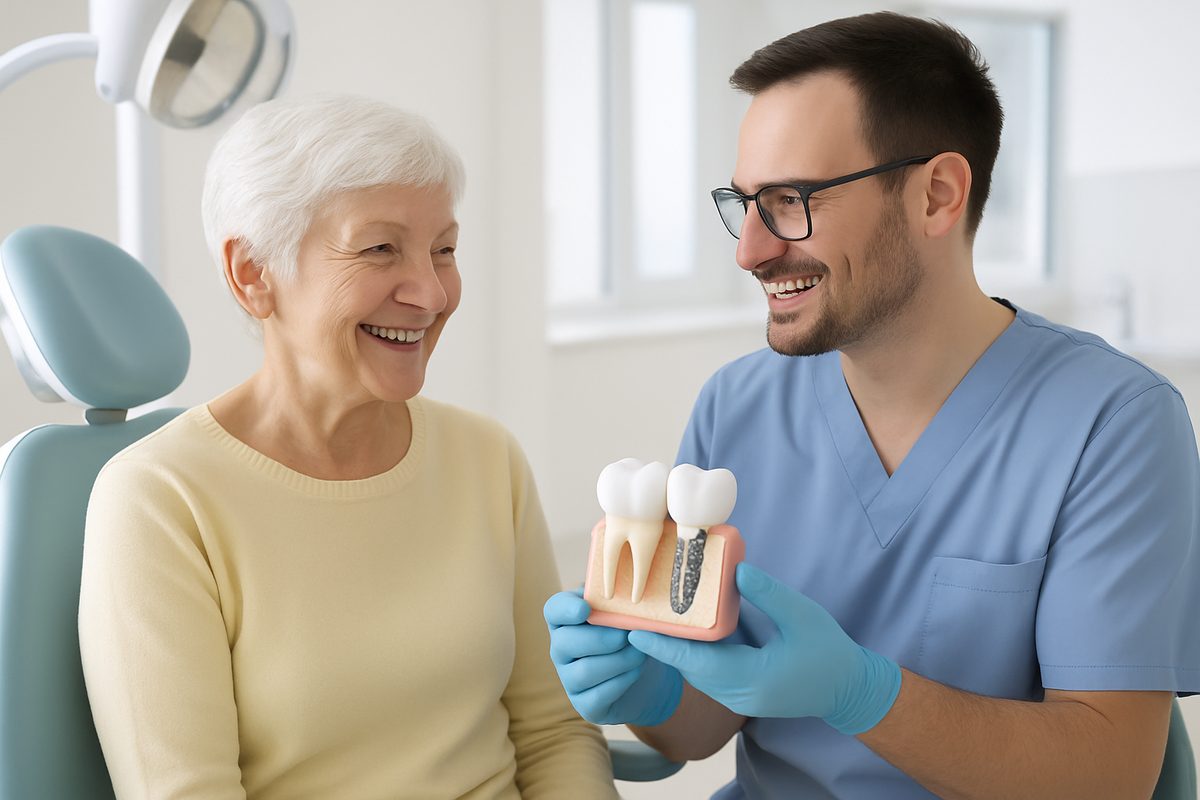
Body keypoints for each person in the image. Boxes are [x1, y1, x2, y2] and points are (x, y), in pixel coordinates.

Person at [544, 12, 1200, 799]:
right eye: (744, 202)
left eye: (791, 199)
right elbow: (705, 723)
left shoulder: (1113, 424)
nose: (749, 250)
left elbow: (1109, 774)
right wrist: (648, 688)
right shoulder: (739, 405)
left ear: (937, 196)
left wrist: (863, 694)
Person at [79, 94, 617, 800]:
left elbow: (553, 734)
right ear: (253, 274)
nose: (429, 292)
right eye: (379, 248)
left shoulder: (487, 459)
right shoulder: (160, 500)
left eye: (444, 250)